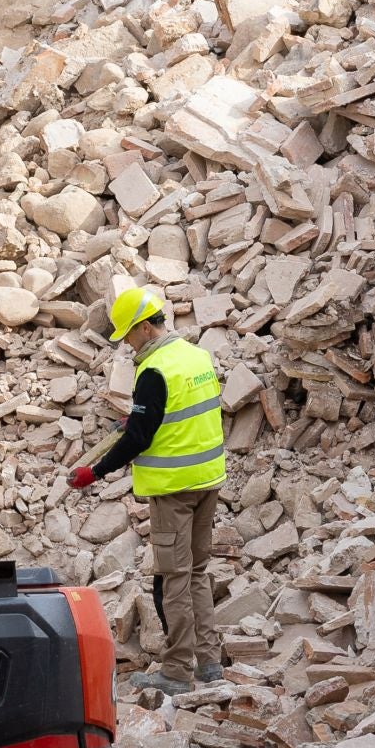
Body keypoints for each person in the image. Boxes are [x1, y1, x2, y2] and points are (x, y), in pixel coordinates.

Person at [68, 286, 226, 694]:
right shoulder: (195, 356)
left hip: (174, 488)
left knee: (173, 577)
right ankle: (209, 664)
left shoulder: (154, 369)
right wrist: (141, 419)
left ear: (143, 327)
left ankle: (176, 672)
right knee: (196, 573)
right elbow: (181, 414)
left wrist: (95, 472)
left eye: (127, 336)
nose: (126, 345)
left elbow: (139, 438)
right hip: (208, 480)